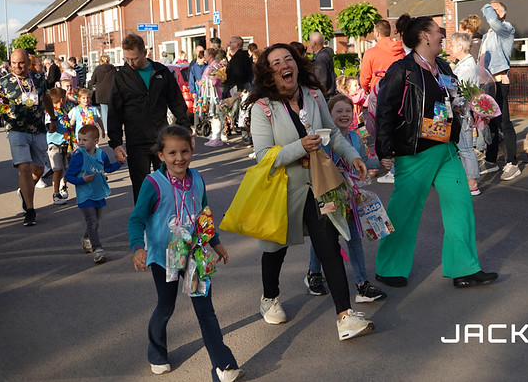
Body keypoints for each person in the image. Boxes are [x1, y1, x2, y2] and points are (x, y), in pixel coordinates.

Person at [244, 43, 374, 341]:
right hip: (282, 188)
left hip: (320, 183)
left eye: (288, 59)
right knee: (275, 249)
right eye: (275, 63)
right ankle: (269, 297)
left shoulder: (313, 95)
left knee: (329, 245)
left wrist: (353, 155)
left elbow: (335, 135)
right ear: (268, 73)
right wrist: (298, 148)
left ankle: (345, 316)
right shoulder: (262, 107)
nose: (283, 65)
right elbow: (264, 156)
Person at [374, 14, 498, 289]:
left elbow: (453, 98)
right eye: (437, 30)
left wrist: (471, 109)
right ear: (424, 36)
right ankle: (389, 267)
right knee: (404, 212)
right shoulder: (402, 69)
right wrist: (383, 148)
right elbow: (385, 110)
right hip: (415, 150)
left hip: (445, 148)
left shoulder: (442, 66)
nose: (443, 34)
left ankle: (464, 268)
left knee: (461, 204)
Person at [128, 125, 243, 381]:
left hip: (195, 256)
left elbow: (203, 214)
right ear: (161, 156)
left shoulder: (198, 179)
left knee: (206, 311)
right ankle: (157, 352)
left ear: (192, 151)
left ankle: (222, 366)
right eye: (172, 153)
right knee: (166, 307)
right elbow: (136, 219)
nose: (179, 158)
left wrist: (216, 243)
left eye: (185, 151)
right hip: (164, 258)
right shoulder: (153, 183)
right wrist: (138, 247)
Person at [305, 94, 386, 303]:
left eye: (348, 111)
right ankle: (314, 274)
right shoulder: (322, 138)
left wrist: (383, 162)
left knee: (354, 238)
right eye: (338, 111)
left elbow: (364, 162)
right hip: (327, 194)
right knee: (323, 237)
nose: (344, 115)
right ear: (328, 115)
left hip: (350, 196)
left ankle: (362, 284)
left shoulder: (355, 138)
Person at [108, 33, 190, 203]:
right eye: (127, 59)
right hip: (136, 140)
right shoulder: (121, 77)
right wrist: (116, 143)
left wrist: (185, 131)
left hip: (161, 139)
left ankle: (170, 223)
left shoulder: (161, 72)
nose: (130, 63)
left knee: (168, 184)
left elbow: (176, 102)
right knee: (142, 188)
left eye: (135, 59)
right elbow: (115, 112)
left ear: (145, 52)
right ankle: (144, 226)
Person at [0, 49, 56, 226]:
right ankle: (30, 210)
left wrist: (52, 118)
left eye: (21, 63)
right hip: (16, 130)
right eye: (13, 63)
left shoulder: (38, 79)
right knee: (24, 168)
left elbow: (46, 99)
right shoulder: (4, 82)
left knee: (37, 171)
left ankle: (25, 191)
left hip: (37, 130)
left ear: (27, 62)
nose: (17, 66)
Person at [65, 124, 123, 263]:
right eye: (79, 139)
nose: (80, 143)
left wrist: (120, 163)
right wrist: (82, 180)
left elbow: (107, 168)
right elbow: (68, 176)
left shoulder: (101, 154)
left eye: (85, 140)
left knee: (95, 222)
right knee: (92, 221)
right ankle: (98, 250)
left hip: (99, 193)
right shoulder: (79, 155)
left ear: (96, 141)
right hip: (85, 195)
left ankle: (86, 239)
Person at [480, 1, 520, 181]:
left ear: (502, 14)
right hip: (486, 82)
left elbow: (494, 22)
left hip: (499, 81)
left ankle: (512, 163)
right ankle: (491, 160)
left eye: (495, 10)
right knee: (490, 123)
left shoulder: (506, 28)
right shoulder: (487, 35)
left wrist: (486, 6)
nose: (490, 13)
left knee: (504, 122)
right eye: (490, 9)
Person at [447, 32, 481, 195]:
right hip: (461, 113)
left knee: (466, 148)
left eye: (453, 45)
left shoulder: (467, 67)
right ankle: (469, 179)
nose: (451, 49)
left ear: (460, 47)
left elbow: (459, 92)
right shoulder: (464, 64)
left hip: (463, 114)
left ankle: (472, 183)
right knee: (463, 148)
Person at [359, 19, 404, 94]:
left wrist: (366, 89)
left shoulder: (370, 53)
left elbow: (364, 79)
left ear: (377, 33)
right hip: (398, 92)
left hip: (378, 93)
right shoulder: (401, 51)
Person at [46, 87, 74, 205]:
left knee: (69, 168)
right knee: (57, 170)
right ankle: (56, 194)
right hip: (54, 145)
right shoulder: (51, 113)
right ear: (62, 100)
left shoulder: (63, 111)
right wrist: (50, 127)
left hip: (66, 145)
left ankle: (63, 184)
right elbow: (48, 125)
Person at [223, 36, 253, 147]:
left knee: (243, 113)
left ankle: (247, 139)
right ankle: (246, 138)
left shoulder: (239, 57)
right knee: (241, 113)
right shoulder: (238, 56)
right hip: (238, 87)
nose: (229, 44)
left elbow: (240, 73)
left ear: (237, 44)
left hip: (241, 88)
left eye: (231, 42)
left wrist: (240, 89)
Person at [88, 54, 116, 135]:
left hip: (101, 92)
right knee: (112, 111)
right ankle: (113, 127)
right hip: (112, 91)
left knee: (104, 111)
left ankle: (106, 128)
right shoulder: (112, 69)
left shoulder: (98, 69)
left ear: (101, 61)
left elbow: (93, 81)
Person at [309, 32, 337, 99]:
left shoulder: (321, 58)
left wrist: (318, 96)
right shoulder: (325, 53)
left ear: (314, 43)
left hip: (325, 97)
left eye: (310, 41)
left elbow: (321, 80)